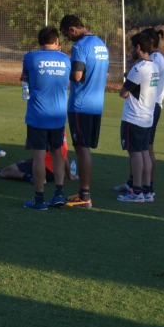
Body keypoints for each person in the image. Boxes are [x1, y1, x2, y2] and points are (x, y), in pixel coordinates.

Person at [59, 14, 110, 209]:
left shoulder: (80, 46)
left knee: (81, 149)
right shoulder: (101, 45)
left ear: (72, 29)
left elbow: (78, 76)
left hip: (81, 104)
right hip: (97, 104)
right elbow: (104, 74)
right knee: (85, 148)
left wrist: (65, 71)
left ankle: (85, 195)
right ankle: (84, 193)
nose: (68, 38)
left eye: (67, 34)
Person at [21, 26, 71, 210]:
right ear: (56, 41)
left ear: (40, 41)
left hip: (37, 115)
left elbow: (25, 79)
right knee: (57, 154)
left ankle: (39, 199)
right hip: (58, 115)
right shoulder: (66, 59)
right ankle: (58, 193)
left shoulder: (30, 57)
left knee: (39, 157)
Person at [115, 27, 164, 200]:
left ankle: (136, 191)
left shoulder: (140, 68)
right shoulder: (154, 66)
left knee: (136, 154)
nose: (130, 51)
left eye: (131, 47)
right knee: (145, 152)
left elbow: (123, 92)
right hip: (147, 116)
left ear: (138, 48)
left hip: (134, 117)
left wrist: (129, 75)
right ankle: (146, 190)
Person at [0, 138, 71, 183]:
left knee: (5, 172)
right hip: (57, 173)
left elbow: (27, 146)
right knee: (21, 162)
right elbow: (64, 155)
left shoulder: (44, 128)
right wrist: (69, 175)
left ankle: (31, 178)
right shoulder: (62, 132)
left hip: (45, 167)